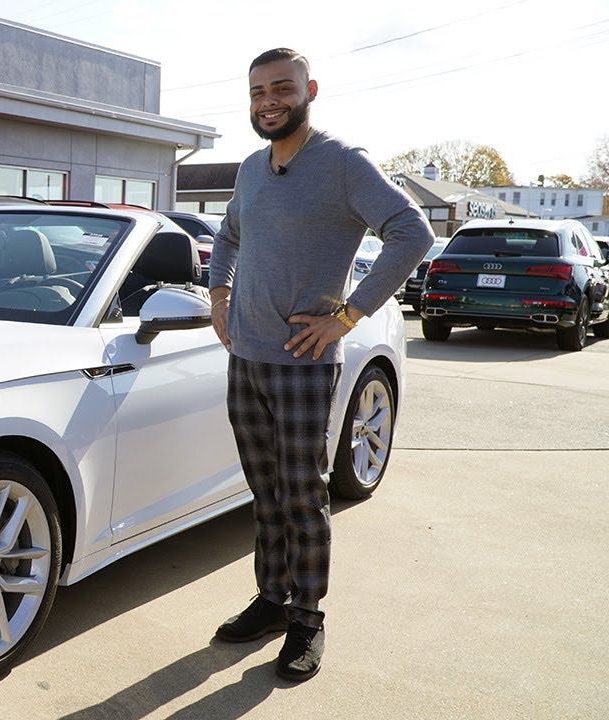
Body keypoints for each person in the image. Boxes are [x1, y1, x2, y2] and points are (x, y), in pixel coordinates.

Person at [206, 48, 433, 682]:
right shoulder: (251, 169)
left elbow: (411, 231)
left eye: (281, 88)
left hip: (303, 363)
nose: (268, 100)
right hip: (245, 357)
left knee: (303, 494)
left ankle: (307, 617)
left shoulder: (342, 164)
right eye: (257, 92)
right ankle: (272, 598)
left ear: (309, 90)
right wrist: (219, 293)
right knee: (264, 493)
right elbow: (227, 237)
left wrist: (349, 314)